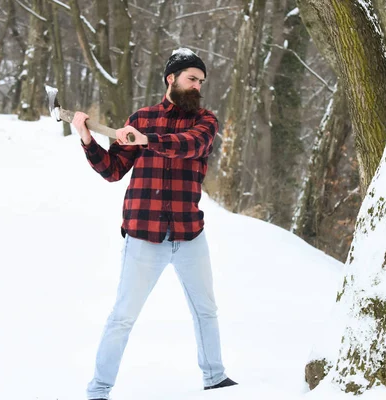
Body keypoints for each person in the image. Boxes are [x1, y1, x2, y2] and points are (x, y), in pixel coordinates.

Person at [72, 48, 237, 400]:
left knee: (206, 311)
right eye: (192, 78)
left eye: (201, 81)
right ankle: (99, 390)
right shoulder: (141, 119)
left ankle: (216, 380)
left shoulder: (204, 122)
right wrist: (88, 139)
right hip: (144, 237)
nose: (197, 86)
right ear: (171, 79)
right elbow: (113, 171)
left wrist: (147, 140)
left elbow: (189, 146)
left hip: (189, 234)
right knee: (122, 317)